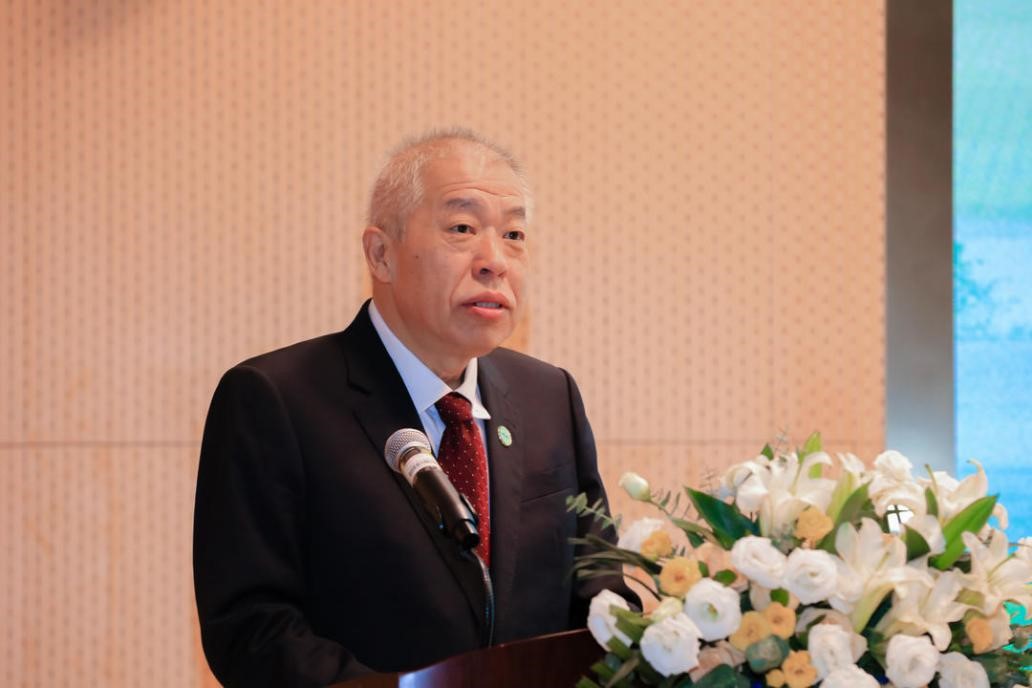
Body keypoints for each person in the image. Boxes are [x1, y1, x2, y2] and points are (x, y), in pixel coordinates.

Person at [193, 129, 626, 687]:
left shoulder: (550, 397)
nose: (495, 261)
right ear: (381, 254)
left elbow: (599, 594)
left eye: (514, 235)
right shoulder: (275, 400)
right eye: (462, 229)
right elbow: (253, 631)